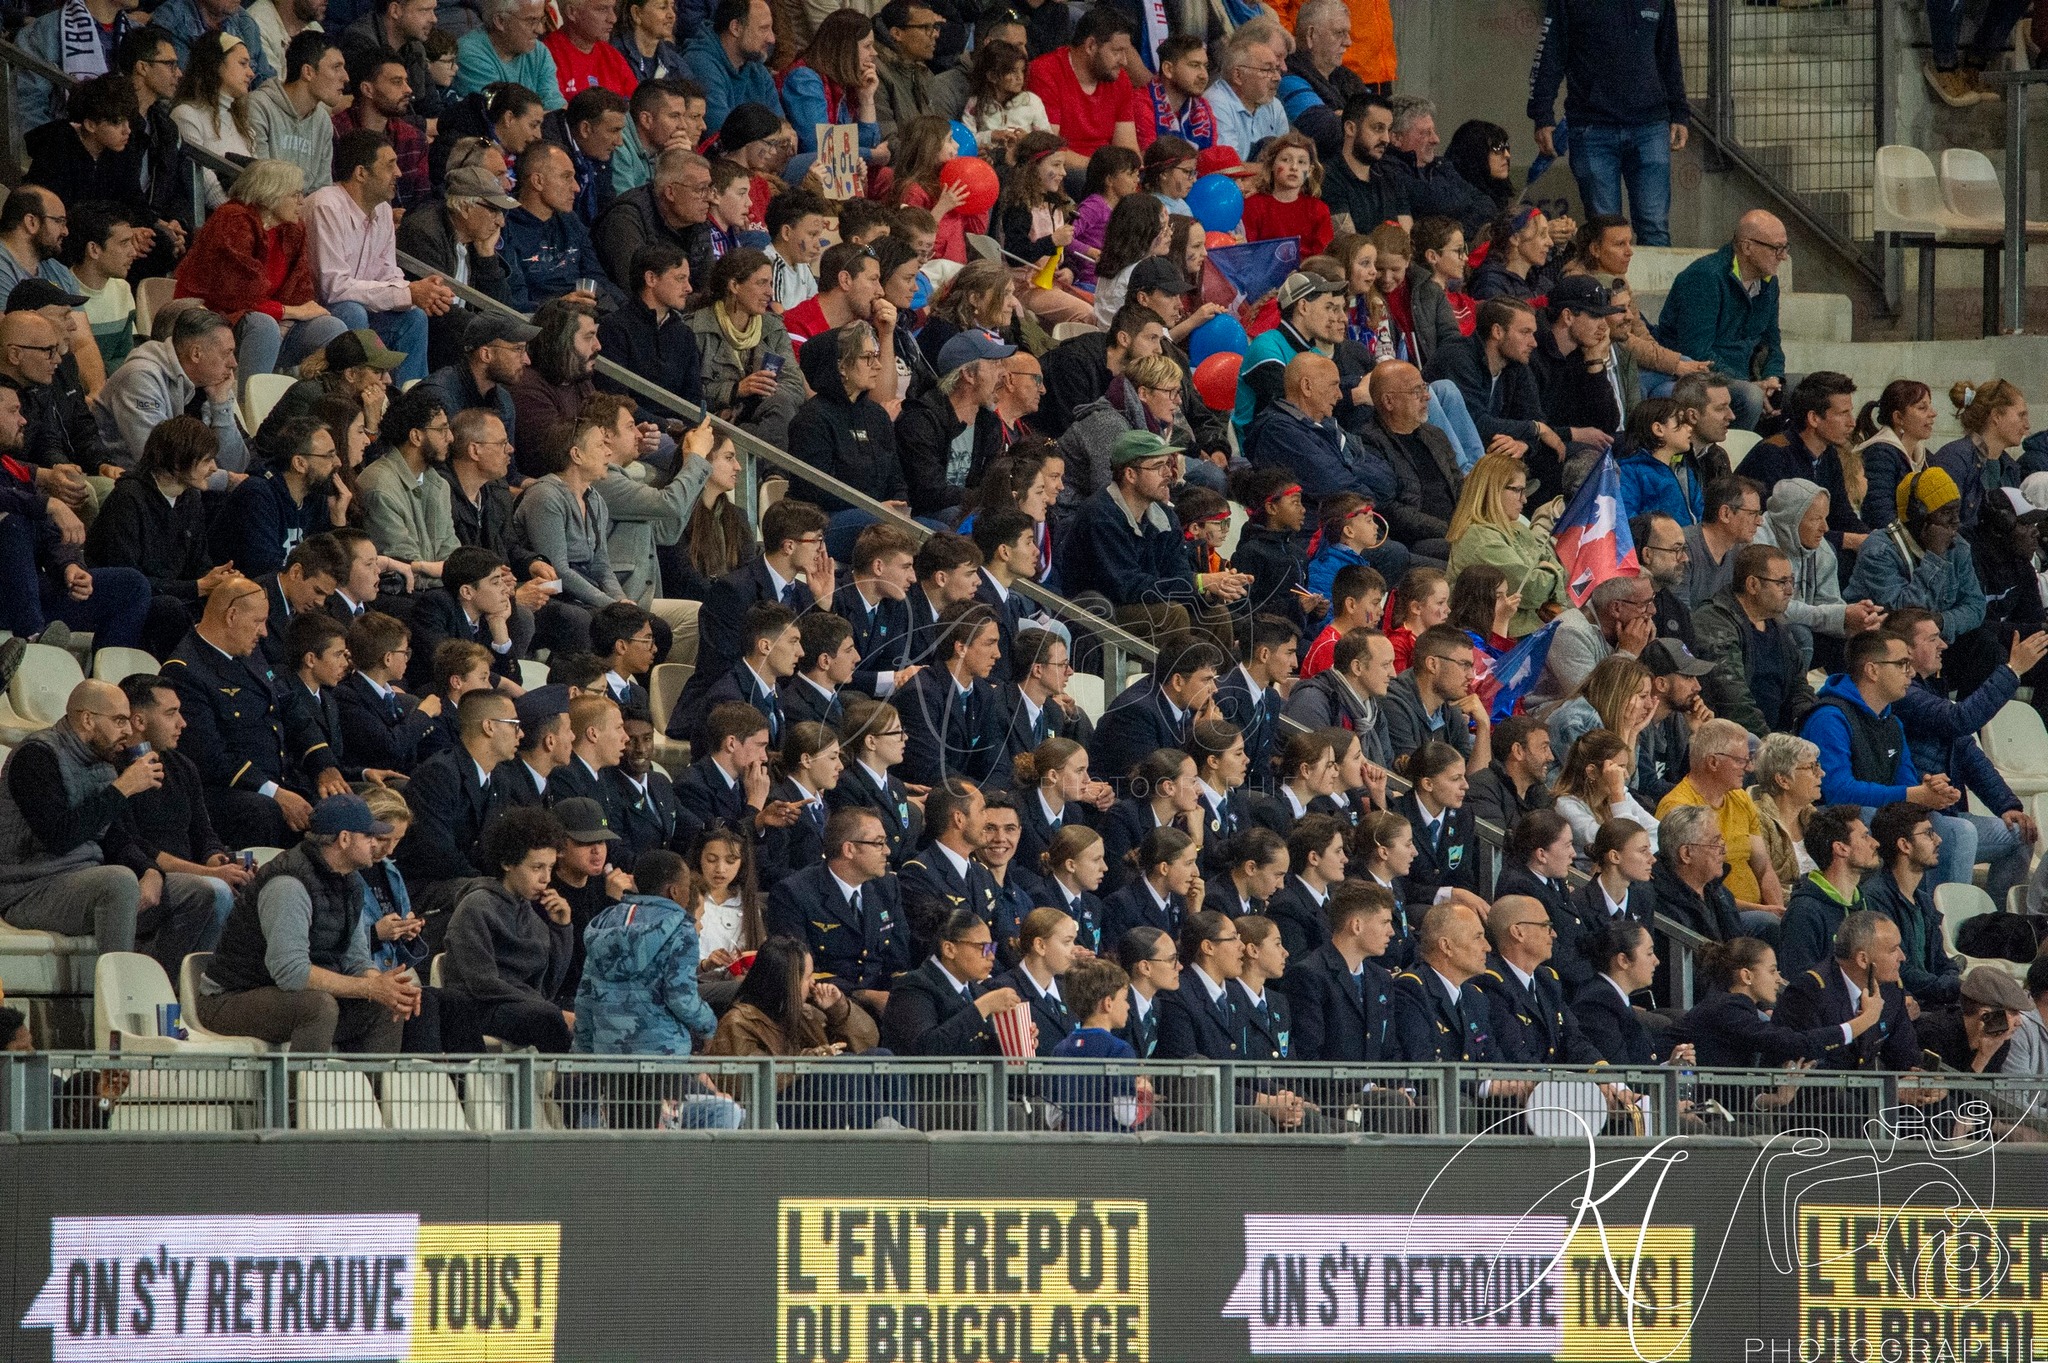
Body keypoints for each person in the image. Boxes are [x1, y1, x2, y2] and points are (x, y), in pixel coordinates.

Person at [194, 793, 419, 1051]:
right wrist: (368, 987)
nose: (376, 846)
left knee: (384, 1004)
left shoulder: (352, 881)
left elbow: (356, 961)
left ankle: (371, 1090)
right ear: (344, 839)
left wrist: (385, 988)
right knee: (318, 1007)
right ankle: (304, 1091)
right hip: (231, 998)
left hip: (286, 995)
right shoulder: (289, 883)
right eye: (369, 836)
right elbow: (291, 972)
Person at [164, 574, 345, 848]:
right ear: (232, 616)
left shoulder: (249, 652)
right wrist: (275, 793)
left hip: (281, 781)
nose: (265, 633)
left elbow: (290, 707)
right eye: (258, 622)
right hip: (231, 793)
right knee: (270, 814)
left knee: (354, 805)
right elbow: (210, 758)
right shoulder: (185, 671)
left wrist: (324, 765)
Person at [1799, 628, 1980, 895]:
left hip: (1879, 815)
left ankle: (1937, 920)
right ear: (1872, 670)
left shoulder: (1892, 721)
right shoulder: (1829, 717)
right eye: (1902, 664)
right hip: (1831, 820)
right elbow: (1836, 791)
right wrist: (1911, 794)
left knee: (1959, 831)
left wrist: (1931, 792)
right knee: (1873, 821)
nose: (1911, 672)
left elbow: (1906, 783)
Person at [1525, 0, 1685, 246]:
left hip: (1650, 126)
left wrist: (1680, 113)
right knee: (1605, 233)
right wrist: (1542, 115)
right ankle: (1610, 287)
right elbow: (1551, 54)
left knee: (1654, 228)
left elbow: (1669, 54)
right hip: (1592, 128)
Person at [305, 130, 451, 385]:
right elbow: (333, 289)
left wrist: (420, 292)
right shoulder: (325, 205)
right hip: (317, 313)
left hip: (359, 308)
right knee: (352, 311)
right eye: (389, 165)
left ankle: (410, 402)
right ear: (361, 173)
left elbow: (388, 274)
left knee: (414, 317)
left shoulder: (383, 211)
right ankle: (352, 393)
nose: (399, 173)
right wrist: (407, 293)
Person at [441, 804, 575, 1051]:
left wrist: (561, 928)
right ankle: (568, 1088)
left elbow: (547, 985)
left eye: (550, 867)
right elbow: (482, 982)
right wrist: (550, 1008)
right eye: (537, 868)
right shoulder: (477, 905)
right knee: (548, 1018)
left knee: (582, 1020)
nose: (546, 878)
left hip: (521, 1005)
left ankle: (571, 1086)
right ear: (507, 863)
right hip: (479, 1008)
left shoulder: (532, 915)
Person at [1650, 210, 1787, 432]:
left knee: (1807, 391)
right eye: (1777, 248)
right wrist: (1750, 383)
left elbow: (1772, 341)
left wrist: (1773, 376)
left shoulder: (1769, 283)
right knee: (1750, 396)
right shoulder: (1704, 277)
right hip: (1697, 375)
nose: (1783, 256)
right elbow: (1697, 351)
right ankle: (1729, 460)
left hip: (1743, 375)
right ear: (1747, 247)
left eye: (1785, 247)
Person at [92, 305, 250, 478]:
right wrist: (227, 481)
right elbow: (158, 464)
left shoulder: (210, 382)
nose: (234, 363)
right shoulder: (140, 378)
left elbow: (237, 466)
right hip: (133, 486)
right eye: (227, 353)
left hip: (183, 488)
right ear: (196, 354)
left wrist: (220, 405)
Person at [1846, 467, 1987, 648]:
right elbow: (1903, 616)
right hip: (1882, 643)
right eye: (1945, 512)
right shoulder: (1879, 550)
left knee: (1983, 643)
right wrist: (1935, 557)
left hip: (1934, 639)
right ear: (1917, 515)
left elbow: (1975, 606)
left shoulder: (1958, 547)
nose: (1956, 521)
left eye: (1956, 511)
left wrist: (1942, 621)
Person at [1772, 909, 1923, 1076]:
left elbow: (1905, 1055)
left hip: (1865, 1093)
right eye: (1893, 950)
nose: (1902, 957)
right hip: (1820, 1096)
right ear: (1863, 959)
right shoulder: (1809, 991)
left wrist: (1915, 1081)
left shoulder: (1891, 989)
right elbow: (1811, 1065)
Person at [1693, 543, 1819, 738]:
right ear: (1752, 585)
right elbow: (1733, 701)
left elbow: (1799, 684)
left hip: (1777, 738)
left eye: (1790, 581)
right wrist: (1770, 746)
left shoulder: (1777, 623)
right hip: (1733, 742)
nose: (1789, 590)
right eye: (1781, 582)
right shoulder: (1714, 621)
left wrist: (1806, 727)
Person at [1851, 801, 1963, 1011]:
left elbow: (1941, 960)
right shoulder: (1875, 897)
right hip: (1905, 1005)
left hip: (1933, 1000)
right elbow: (1896, 968)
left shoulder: (1923, 900)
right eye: (1928, 833)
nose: (1938, 840)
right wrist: (1947, 987)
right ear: (1904, 845)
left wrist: (1951, 981)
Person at [1445, 453, 1569, 636]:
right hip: (1500, 641)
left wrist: (1547, 571)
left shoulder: (1518, 528)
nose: (1524, 499)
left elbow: (1560, 570)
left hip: (1531, 630)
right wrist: (1551, 572)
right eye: (1517, 490)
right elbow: (1530, 589)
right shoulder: (1479, 538)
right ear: (1492, 490)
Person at [707, 932, 882, 1061]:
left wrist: (839, 1009)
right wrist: (814, 1057)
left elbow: (867, 1041)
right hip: (784, 1102)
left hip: (819, 1096)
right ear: (785, 981)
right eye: (807, 977)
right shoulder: (738, 1022)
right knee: (842, 1069)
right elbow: (747, 1079)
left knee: (880, 1056)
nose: (813, 983)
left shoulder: (807, 1012)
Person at [878, 906, 1024, 1056]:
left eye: (991, 947)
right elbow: (926, 1048)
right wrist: (982, 1007)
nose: (991, 956)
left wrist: (1013, 1042)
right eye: (982, 947)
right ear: (949, 949)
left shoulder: (980, 992)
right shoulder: (912, 986)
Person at [1775, 802, 1878, 980]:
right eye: (1865, 836)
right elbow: (1803, 985)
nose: (1875, 843)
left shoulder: (1867, 902)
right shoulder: (1804, 912)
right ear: (1841, 848)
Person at [1552, 816, 1654, 990]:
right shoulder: (1579, 904)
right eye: (1643, 851)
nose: (1652, 859)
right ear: (1615, 856)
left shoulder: (1644, 897)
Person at [1024, 6, 1138, 162]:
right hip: (1064, 173)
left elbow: (1128, 149)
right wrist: (1104, 170)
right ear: (1090, 46)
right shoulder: (1045, 72)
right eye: (1117, 51)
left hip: (1107, 172)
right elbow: (1049, 150)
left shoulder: (1120, 79)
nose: (1124, 61)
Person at [1572, 919, 1691, 1065]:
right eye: (1649, 953)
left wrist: (1670, 1066)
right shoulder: (1596, 1005)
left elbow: (1637, 1069)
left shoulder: (1614, 1000)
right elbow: (1619, 1073)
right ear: (1623, 960)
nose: (1656, 961)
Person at [1384, 625, 1492, 770]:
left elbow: (1476, 781)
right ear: (1433, 664)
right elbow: (1415, 776)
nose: (1471, 676)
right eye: (1464, 665)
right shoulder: (1394, 705)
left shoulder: (1450, 707)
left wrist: (1484, 726)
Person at [1650, 803, 1745, 944]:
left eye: (1721, 841)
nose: (1723, 850)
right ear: (1686, 854)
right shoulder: (1662, 906)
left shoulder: (1716, 889)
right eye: (1714, 843)